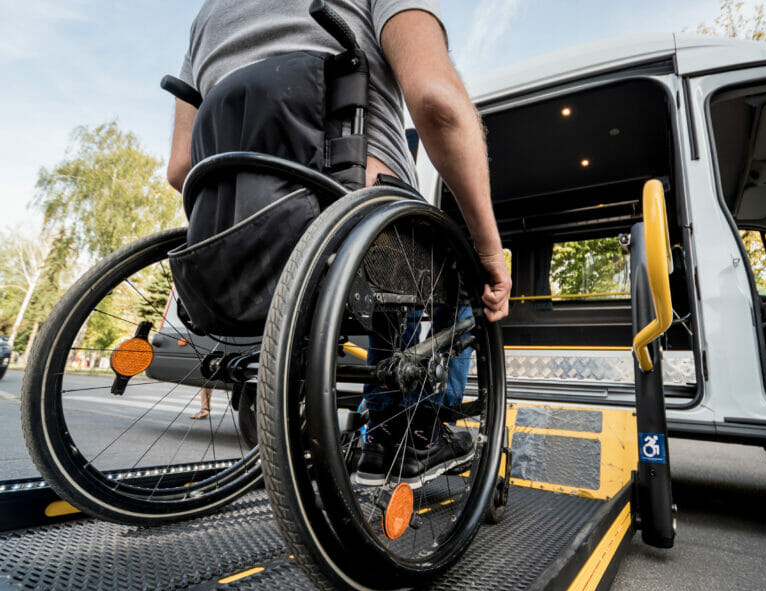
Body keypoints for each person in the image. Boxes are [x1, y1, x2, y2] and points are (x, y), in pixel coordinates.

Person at [167, 0, 510, 484]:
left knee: (392, 281)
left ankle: (382, 427)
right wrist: (489, 251)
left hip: (240, 239)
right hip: (353, 213)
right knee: (460, 285)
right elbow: (437, 103)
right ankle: (416, 435)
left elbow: (181, 168)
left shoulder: (208, 16)